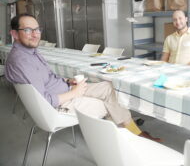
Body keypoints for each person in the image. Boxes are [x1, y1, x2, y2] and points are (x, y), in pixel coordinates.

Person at [5, 13, 160, 142]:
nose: (35, 34)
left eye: (37, 29)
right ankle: (129, 139)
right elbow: (44, 100)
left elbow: (49, 78)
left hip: (66, 90)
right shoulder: (22, 60)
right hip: (59, 106)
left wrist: (67, 81)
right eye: (27, 30)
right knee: (110, 104)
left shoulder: (30, 52)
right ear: (14, 34)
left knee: (108, 87)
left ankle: (128, 130)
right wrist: (75, 93)